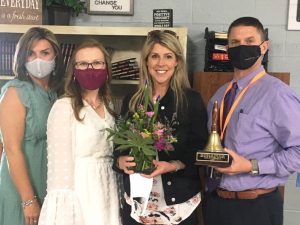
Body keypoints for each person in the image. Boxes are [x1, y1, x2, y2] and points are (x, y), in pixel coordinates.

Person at [202, 16, 300, 225]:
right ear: (227, 48)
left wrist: (251, 165)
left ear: (264, 47)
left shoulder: (277, 94)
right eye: (235, 43)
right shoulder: (220, 94)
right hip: (216, 203)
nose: (241, 47)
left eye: (249, 41)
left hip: (255, 207)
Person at [113, 30, 208, 225]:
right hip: (139, 203)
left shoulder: (191, 100)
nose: (161, 63)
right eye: (154, 56)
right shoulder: (132, 101)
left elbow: (199, 149)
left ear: (177, 62)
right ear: (146, 61)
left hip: (179, 203)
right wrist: (120, 161)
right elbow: (118, 148)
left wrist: (172, 165)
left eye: (168, 56)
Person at [38, 39, 122, 225]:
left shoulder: (109, 107)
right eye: (83, 64)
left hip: (107, 190)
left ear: (106, 69)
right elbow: (57, 173)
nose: (90, 68)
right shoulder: (63, 107)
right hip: (79, 193)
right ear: (74, 71)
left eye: (97, 63)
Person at [0, 27, 64, 225]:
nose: (38, 60)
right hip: (22, 187)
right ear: (22, 58)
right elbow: (11, 149)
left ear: (55, 56)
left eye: (45, 53)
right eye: (31, 53)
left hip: (50, 182)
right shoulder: (15, 92)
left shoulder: (56, 93)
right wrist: (28, 200)